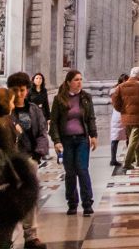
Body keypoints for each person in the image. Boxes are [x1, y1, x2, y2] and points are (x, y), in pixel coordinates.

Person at [5, 73, 49, 249]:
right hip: (10, 162)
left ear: (27, 90)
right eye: (15, 90)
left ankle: (31, 236)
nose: (19, 93)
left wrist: (37, 155)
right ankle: (7, 235)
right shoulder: (5, 112)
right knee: (10, 200)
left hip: (29, 159)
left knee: (30, 199)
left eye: (22, 90)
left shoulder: (34, 110)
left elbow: (41, 133)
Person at [48, 69, 97, 215]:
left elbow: (91, 118)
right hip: (66, 140)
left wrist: (93, 135)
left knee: (82, 169)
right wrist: (56, 140)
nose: (79, 82)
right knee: (70, 172)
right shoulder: (59, 99)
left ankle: (87, 203)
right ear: (69, 82)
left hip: (82, 139)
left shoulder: (86, 98)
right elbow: (54, 122)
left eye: (81, 79)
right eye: (76, 80)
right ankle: (72, 203)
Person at [0, 88, 41, 249]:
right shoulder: (4, 124)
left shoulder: (7, 121)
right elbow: (9, 154)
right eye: (10, 100)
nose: (13, 103)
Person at [112, 64, 139, 172]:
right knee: (133, 141)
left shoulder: (121, 86)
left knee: (133, 139)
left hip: (126, 117)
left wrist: (122, 110)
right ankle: (127, 162)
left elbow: (115, 101)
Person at [109, 74, 129, 166]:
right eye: (126, 80)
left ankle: (130, 157)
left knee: (129, 137)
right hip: (118, 115)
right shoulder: (116, 90)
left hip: (125, 114)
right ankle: (113, 159)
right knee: (115, 138)